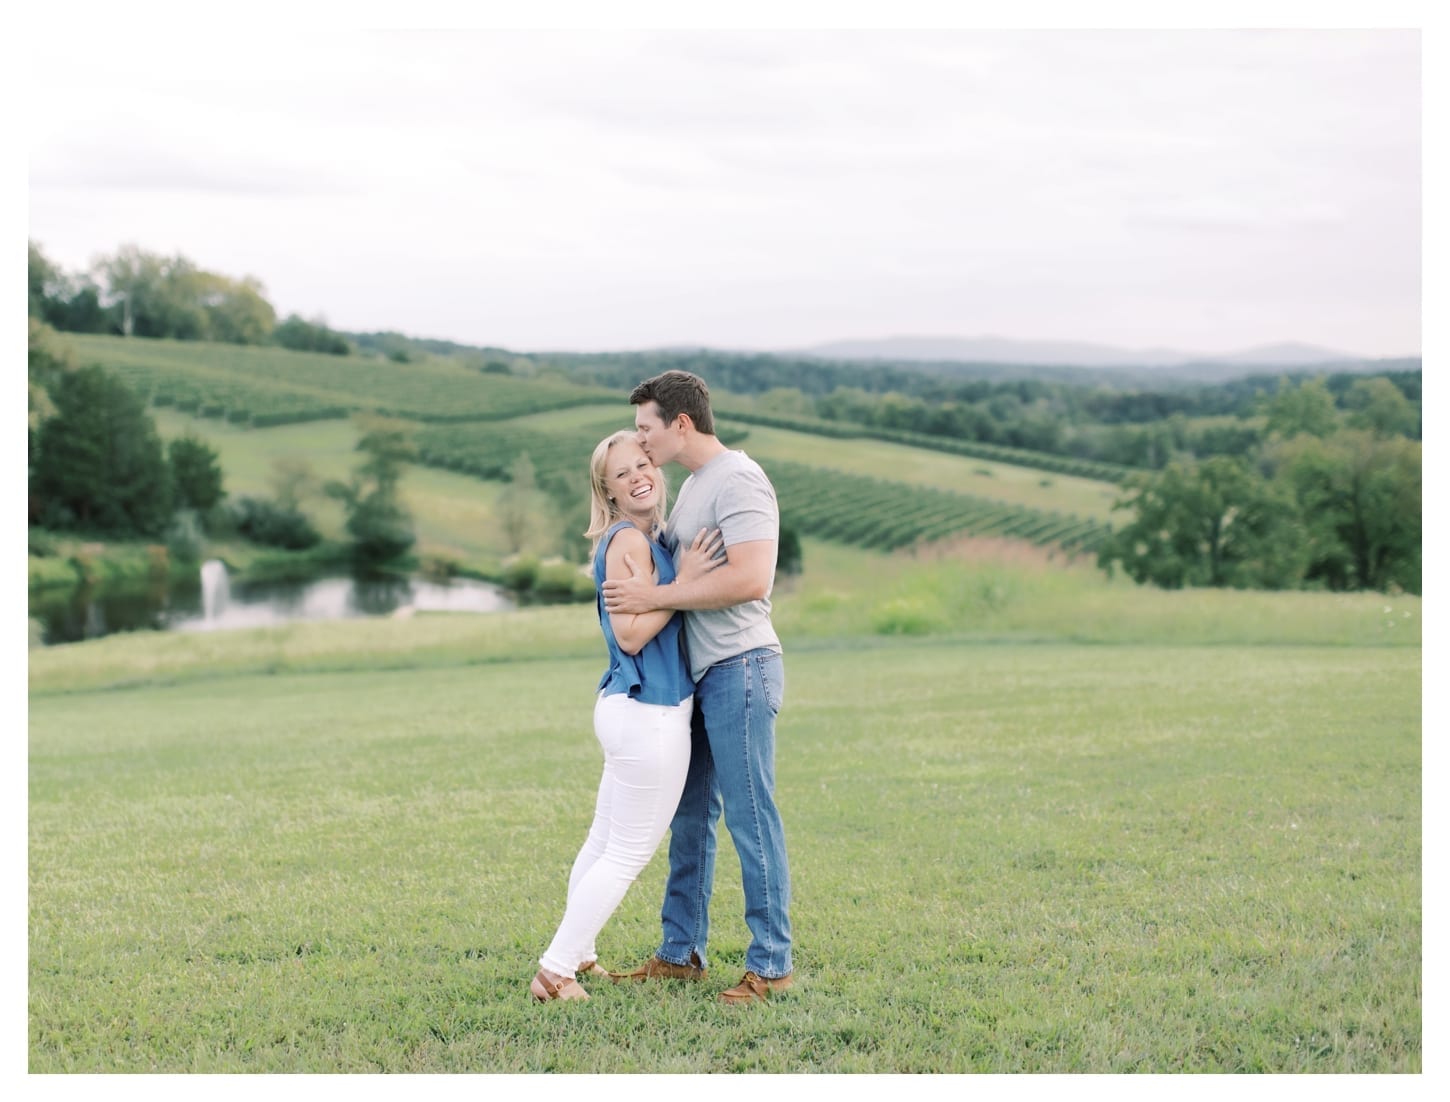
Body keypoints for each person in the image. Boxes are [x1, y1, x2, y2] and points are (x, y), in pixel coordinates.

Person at [601, 370, 794, 1006]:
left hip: (740, 667)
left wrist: (655, 594)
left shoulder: (738, 479)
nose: (640, 440)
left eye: (646, 428)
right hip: (702, 677)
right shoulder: (691, 489)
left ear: (680, 424)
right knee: (690, 819)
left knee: (749, 817)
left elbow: (750, 578)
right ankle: (680, 953)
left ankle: (770, 967)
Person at [530, 430, 721, 1002]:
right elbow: (633, 635)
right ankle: (556, 971)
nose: (638, 475)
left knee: (603, 842)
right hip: (649, 712)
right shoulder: (628, 544)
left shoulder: (642, 538)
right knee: (626, 853)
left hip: (627, 708)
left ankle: (580, 956)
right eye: (622, 472)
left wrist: (673, 583)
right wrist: (684, 584)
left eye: (643, 463)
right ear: (606, 490)